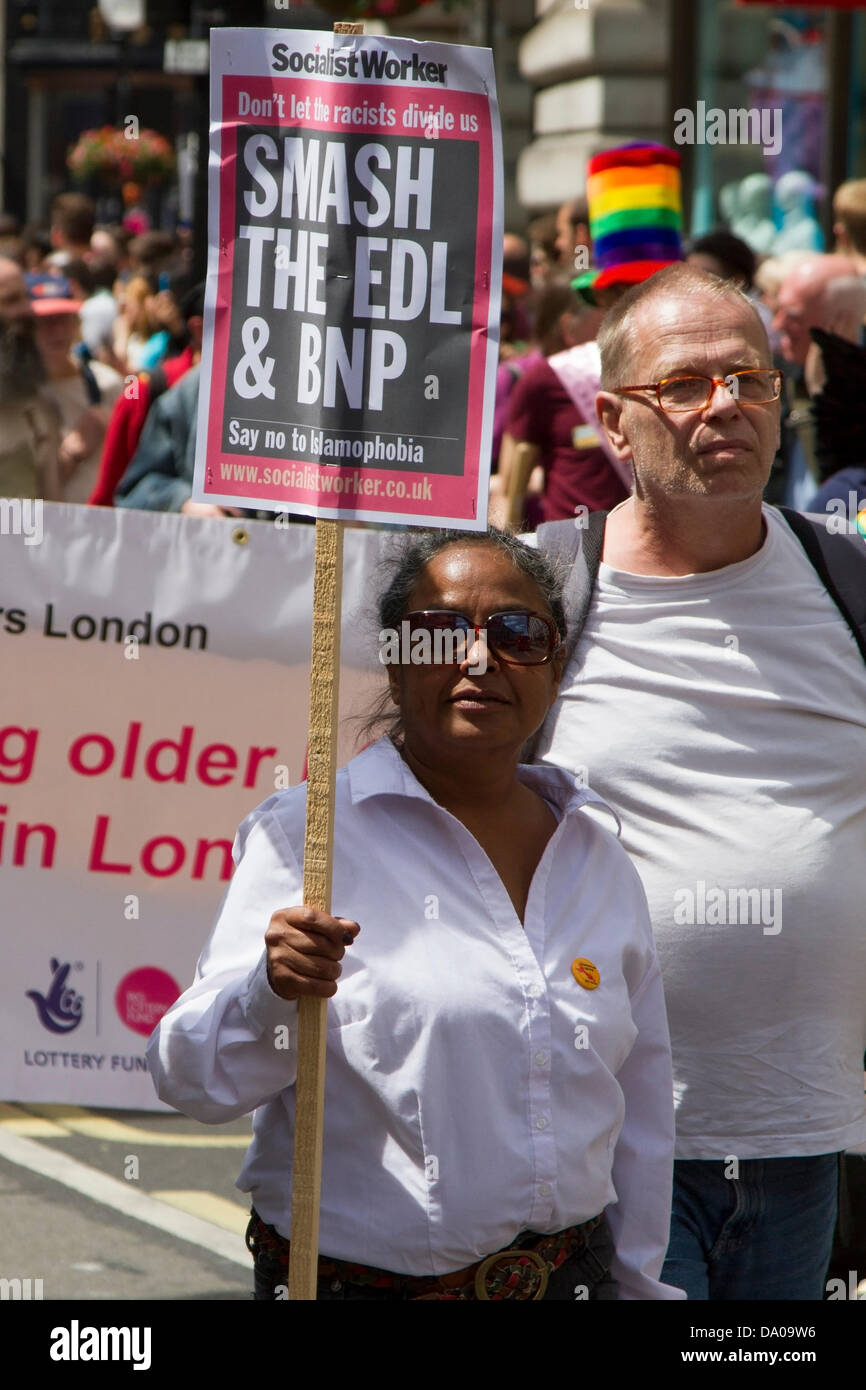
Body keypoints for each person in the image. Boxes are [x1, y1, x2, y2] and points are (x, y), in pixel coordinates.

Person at [147, 528, 682, 1302]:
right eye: (438, 632)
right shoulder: (309, 839)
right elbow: (188, 1075)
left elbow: (637, 1102)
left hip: (577, 1280)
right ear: (396, 666)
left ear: (555, 665)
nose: (477, 659)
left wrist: (637, 1286)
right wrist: (270, 990)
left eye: (517, 633)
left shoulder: (596, 850)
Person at [529, 263, 866, 1301]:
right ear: (612, 425)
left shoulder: (846, 583)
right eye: (683, 384)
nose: (723, 404)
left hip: (808, 1138)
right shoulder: (531, 594)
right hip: (604, 1138)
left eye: (748, 379)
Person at [30, 272, 123, 504]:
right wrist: (71, 454)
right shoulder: (18, 396)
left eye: (64, 318)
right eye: (44, 321)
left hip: (102, 529)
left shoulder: (107, 384)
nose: (57, 331)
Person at [0, 256, 61, 500]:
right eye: (11, 300)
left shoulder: (38, 401)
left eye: (26, 297)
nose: (27, 310)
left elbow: (51, 500)